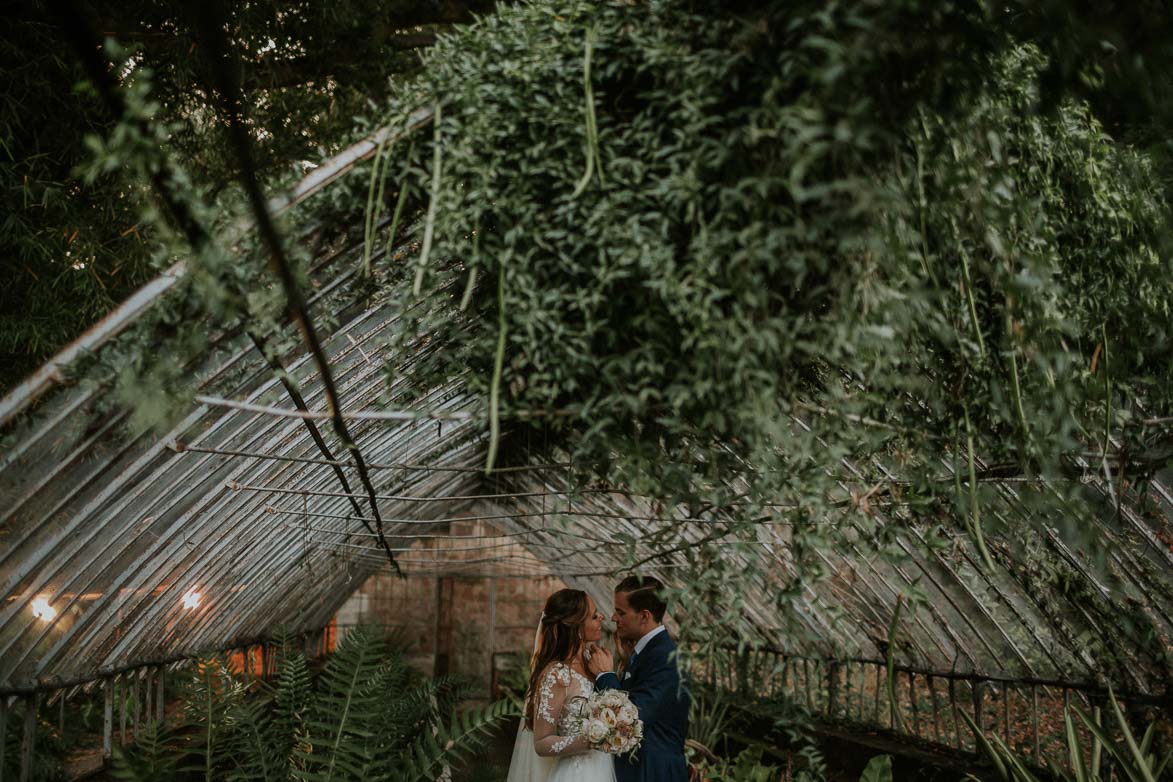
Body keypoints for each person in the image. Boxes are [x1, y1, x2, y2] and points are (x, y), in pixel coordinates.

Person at [506, 588, 617, 782]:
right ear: (576, 627)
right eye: (593, 616)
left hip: (604, 768)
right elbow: (541, 743)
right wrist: (589, 739)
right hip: (575, 774)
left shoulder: (595, 662)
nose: (601, 617)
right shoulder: (557, 675)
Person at [587, 576, 689, 782]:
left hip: (653, 772)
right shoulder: (648, 652)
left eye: (621, 612)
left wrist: (605, 675)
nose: (613, 618)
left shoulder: (665, 657)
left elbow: (632, 719)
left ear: (644, 616)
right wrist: (626, 665)